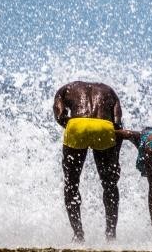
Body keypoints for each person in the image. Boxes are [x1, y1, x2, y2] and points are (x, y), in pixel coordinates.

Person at [52, 81, 124, 242]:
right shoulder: (109, 90)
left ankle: (78, 234)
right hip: (104, 127)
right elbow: (118, 123)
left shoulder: (66, 88)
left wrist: (72, 127)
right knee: (110, 185)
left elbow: (60, 113)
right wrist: (115, 155)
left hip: (77, 125)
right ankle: (110, 235)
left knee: (71, 184)